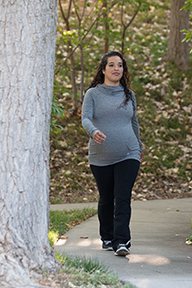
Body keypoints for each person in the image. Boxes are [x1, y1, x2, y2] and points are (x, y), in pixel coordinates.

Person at [81, 51, 144, 256]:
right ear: (103, 69)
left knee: (122, 197)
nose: (116, 69)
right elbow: (85, 119)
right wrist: (94, 131)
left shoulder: (129, 95)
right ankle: (107, 237)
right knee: (107, 198)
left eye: (120, 65)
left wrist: (139, 146)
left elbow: (133, 122)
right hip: (101, 156)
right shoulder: (93, 94)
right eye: (112, 65)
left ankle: (122, 241)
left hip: (129, 152)